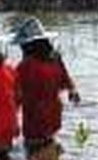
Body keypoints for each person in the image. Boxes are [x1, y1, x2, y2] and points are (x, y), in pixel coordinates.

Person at [12, 17, 80, 150]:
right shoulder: (55, 59)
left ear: (27, 46)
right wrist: (73, 91)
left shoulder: (25, 66)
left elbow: (15, 97)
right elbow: (66, 80)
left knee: (33, 154)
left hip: (34, 120)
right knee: (49, 146)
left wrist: (12, 120)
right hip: (54, 115)